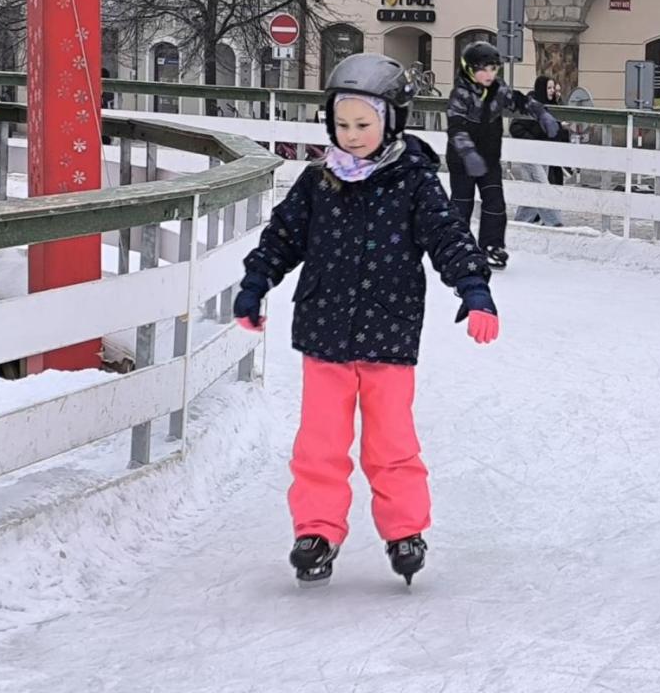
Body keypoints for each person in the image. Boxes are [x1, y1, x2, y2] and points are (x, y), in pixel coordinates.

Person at [232, 53, 499, 587]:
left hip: (389, 335)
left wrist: (474, 290)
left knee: (392, 444)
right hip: (325, 336)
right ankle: (316, 532)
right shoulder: (317, 183)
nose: (351, 135)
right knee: (319, 444)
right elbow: (281, 239)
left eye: (363, 124)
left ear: (392, 121)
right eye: (342, 124)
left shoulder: (415, 183)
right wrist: (255, 285)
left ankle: (404, 531)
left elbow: (448, 238)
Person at [445, 40, 560, 270]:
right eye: (483, 69)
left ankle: (491, 247)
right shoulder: (460, 94)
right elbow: (456, 127)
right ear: (469, 69)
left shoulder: (498, 91)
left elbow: (520, 100)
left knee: (495, 203)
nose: (489, 74)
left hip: (488, 158)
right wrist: (468, 153)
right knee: (461, 205)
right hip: (463, 161)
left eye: (493, 69)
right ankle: (457, 247)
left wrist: (541, 113)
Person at [509, 75, 568, 226]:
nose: (552, 91)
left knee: (533, 191)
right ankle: (555, 224)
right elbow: (515, 127)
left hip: (545, 155)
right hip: (530, 155)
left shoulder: (552, 106)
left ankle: (520, 224)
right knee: (542, 187)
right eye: (549, 88)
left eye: (553, 88)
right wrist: (533, 142)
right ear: (541, 88)